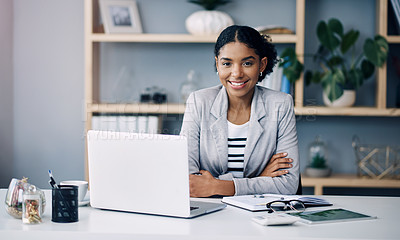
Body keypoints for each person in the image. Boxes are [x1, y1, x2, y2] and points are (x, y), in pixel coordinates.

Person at [180, 25, 299, 197]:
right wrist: (260, 179)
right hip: (209, 214)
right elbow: (189, 182)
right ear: (217, 64)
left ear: (262, 64)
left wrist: (216, 186)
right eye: (227, 63)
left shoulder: (280, 105)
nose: (236, 73)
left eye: (247, 63)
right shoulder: (199, 102)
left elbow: (288, 185)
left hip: (260, 214)